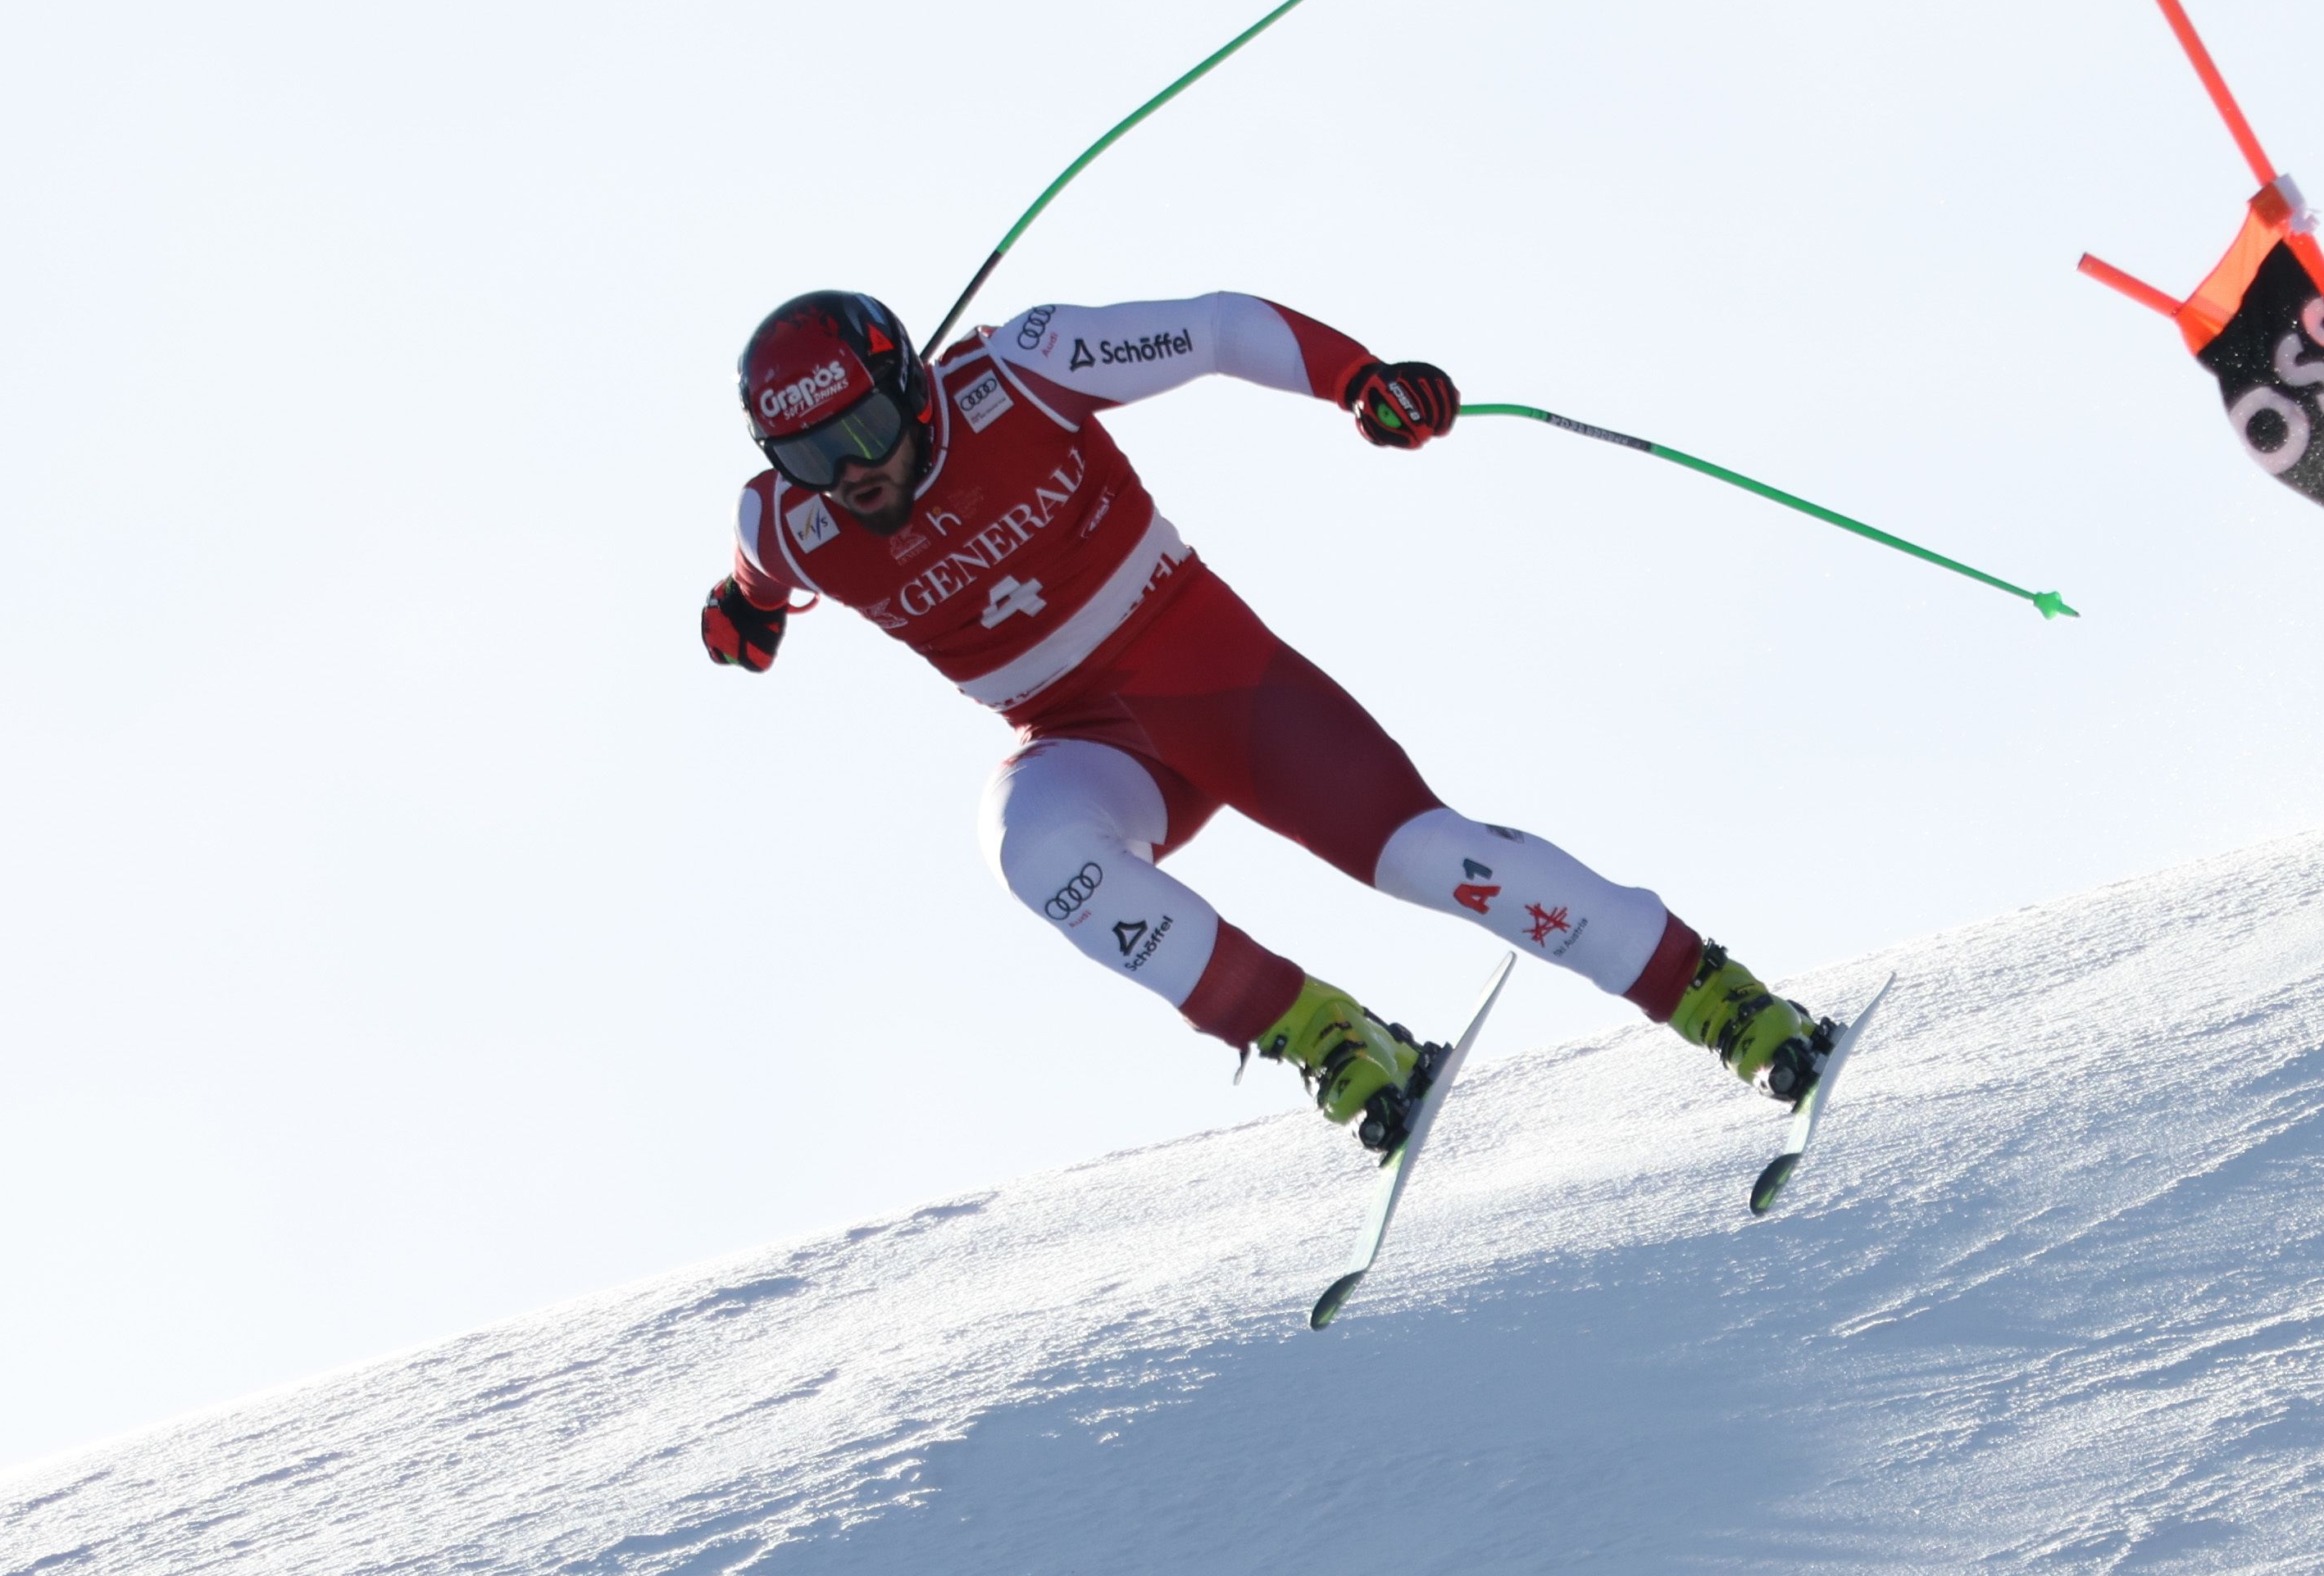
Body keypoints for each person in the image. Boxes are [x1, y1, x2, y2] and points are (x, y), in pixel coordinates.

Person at [704, 288, 1831, 1152]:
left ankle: (1713, 995)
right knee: (1035, 854)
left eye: (857, 433)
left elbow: (1215, 330)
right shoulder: (791, 520)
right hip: (1079, 740)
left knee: (1420, 855)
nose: (846, 473)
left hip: (1208, 675)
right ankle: (1324, 1032)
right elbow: (756, 576)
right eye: (807, 453)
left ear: (904, 386)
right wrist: (742, 617)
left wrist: (1358, 380)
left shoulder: (1021, 368)